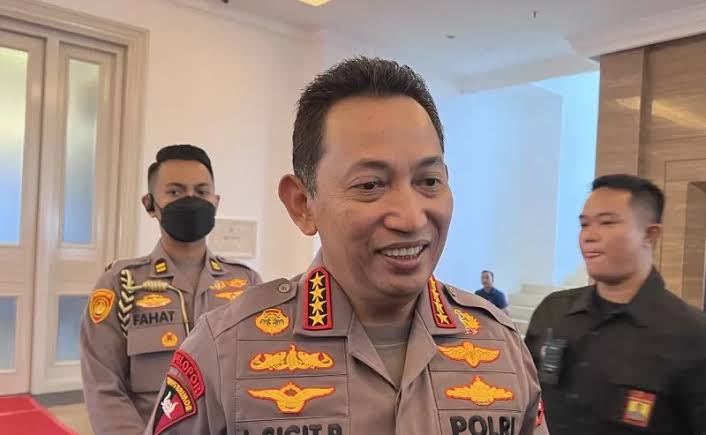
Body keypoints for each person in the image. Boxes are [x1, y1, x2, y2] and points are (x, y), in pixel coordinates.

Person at [145, 57, 548, 435]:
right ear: (302, 204)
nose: (411, 218)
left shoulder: (500, 346)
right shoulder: (223, 352)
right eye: (370, 185)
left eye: (429, 182)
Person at [80, 144, 262, 435]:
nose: (190, 200)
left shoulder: (246, 283)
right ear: (150, 204)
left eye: (201, 192)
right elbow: (103, 387)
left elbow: (260, 376)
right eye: (175, 192)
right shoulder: (120, 285)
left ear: (215, 202)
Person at [525, 174, 706, 435]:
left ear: (649, 234)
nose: (589, 236)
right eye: (584, 224)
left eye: (607, 222)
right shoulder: (553, 312)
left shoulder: (691, 335)